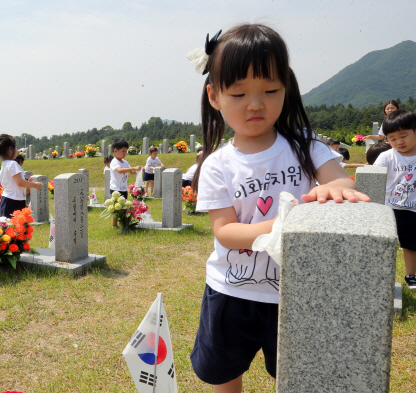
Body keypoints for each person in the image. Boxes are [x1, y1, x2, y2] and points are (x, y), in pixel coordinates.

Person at [186, 24, 369, 392]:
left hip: (296, 291)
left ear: (286, 87)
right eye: (238, 93)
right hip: (231, 291)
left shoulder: (305, 145)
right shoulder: (218, 165)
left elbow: (342, 181)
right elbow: (225, 231)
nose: (256, 103)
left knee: (295, 374)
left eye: (270, 90)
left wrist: (333, 191)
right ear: (215, 95)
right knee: (223, 374)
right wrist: (285, 223)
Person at [373, 110, 416, 289]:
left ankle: (411, 275)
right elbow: (374, 177)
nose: (399, 142)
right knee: (383, 243)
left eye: (404, 136)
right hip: (389, 207)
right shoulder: (386, 157)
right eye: (392, 139)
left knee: (411, 244)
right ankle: (379, 274)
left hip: (413, 208)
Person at [0, 134, 42, 218]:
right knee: (16, 228)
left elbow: (15, 183)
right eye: (16, 147)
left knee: (8, 228)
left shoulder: (4, 164)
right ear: (10, 149)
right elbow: (20, 182)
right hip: (14, 202)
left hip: (7, 200)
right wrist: (34, 185)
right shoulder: (13, 164)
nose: (17, 150)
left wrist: (27, 184)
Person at [109, 138, 142, 227]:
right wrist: (133, 168)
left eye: (126, 151)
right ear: (115, 151)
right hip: (115, 189)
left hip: (123, 188)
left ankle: (122, 223)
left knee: (123, 206)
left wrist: (139, 170)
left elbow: (131, 172)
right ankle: (114, 225)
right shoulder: (114, 162)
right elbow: (120, 170)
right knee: (116, 207)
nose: (125, 154)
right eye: (123, 151)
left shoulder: (125, 162)